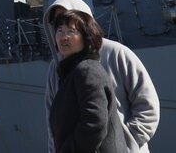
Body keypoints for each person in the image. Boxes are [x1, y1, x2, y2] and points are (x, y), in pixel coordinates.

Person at [43, 0, 159, 153]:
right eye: (58, 24)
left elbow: (147, 106)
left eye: (70, 26)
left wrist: (125, 143)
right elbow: (54, 124)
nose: (64, 34)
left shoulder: (117, 53)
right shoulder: (55, 68)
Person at [48, 10, 126, 153]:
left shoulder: (87, 70)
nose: (63, 37)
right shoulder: (72, 71)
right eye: (59, 31)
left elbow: (94, 122)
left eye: (71, 31)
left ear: (87, 37)